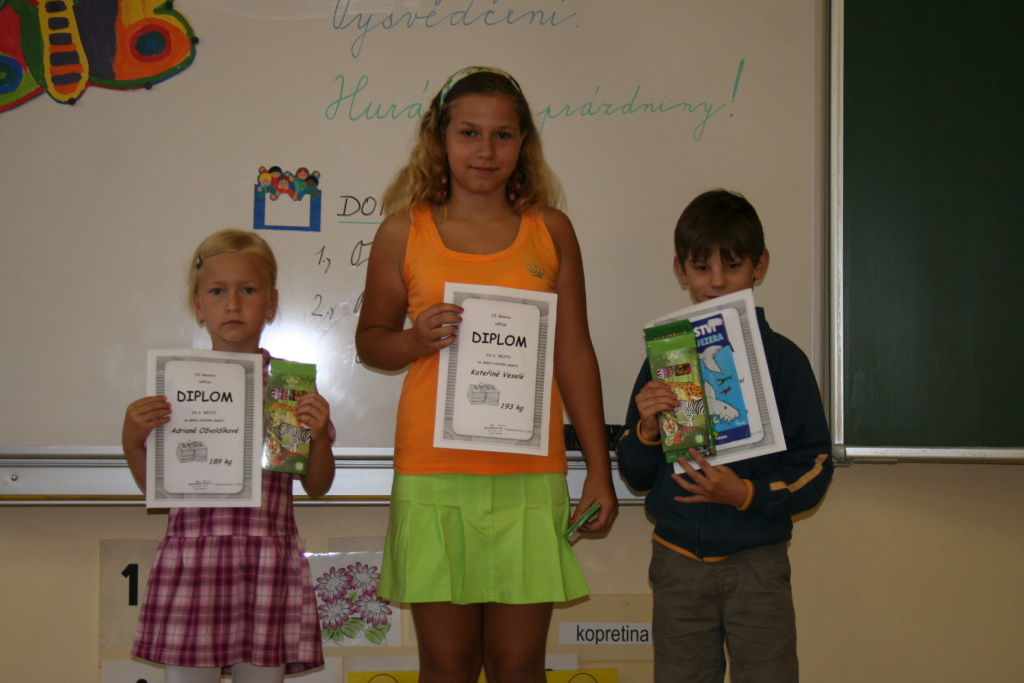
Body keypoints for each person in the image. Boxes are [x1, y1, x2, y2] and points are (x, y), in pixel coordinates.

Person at [355, 66, 617, 683]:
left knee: (518, 665)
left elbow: (573, 353)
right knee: (447, 666)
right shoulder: (403, 231)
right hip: (434, 475)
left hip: (528, 475)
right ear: (440, 139)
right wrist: (413, 340)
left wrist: (599, 470)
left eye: (502, 135)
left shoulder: (551, 230)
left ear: (523, 142)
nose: (485, 150)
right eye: (469, 133)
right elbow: (371, 342)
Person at [615, 189, 832, 683]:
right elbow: (636, 474)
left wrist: (747, 493)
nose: (716, 281)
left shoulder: (784, 360)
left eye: (732, 265)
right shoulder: (665, 359)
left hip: (757, 562)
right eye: (701, 267)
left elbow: (815, 466)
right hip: (676, 562)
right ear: (681, 270)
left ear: (760, 265)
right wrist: (646, 432)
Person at [121, 229, 335, 683]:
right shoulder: (177, 385)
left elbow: (317, 486)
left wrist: (319, 439)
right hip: (194, 564)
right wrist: (132, 443)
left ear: (271, 303)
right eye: (218, 292)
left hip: (266, 565)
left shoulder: (289, 390)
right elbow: (158, 491)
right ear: (199, 307)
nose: (233, 304)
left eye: (248, 290)